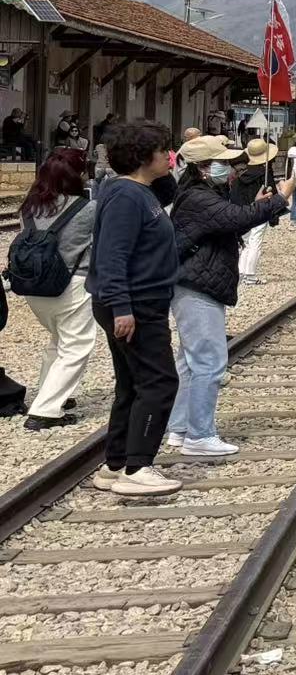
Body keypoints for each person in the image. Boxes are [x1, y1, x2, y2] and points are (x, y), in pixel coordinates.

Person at [166, 136, 289, 458]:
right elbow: (237, 219)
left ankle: (180, 428)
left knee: (190, 360)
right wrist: (280, 199)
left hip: (197, 281)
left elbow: (230, 221)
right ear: (203, 168)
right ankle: (200, 435)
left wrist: (259, 204)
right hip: (197, 285)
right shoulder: (199, 197)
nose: (231, 168)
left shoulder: (201, 193)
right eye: (223, 162)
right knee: (209, 361)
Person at [88, 120, 183, 497]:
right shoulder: (127, 197)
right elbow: (112, 255)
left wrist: (166, 171)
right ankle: (138, 466)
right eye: (163, 151)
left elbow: (170, 189)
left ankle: (115, 464)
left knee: (131, 383)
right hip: (135, 304)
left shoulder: (138, 190)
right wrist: (122, 307)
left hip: (138, 301)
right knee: (160, 382)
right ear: (145, 157)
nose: (169, 156)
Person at [20, 149, 103, 431]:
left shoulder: (30, 208)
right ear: (76, 176)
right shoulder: (88, 208)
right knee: (76, 345)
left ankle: (51, 393)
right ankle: (45, 411)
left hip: (34, 287)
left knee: (58, 340)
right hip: (72, 284)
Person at [234, 139, 281, 286]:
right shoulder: (265, 175)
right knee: (256, 242)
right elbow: (273, 196)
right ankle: (250, 275)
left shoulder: (240, 174)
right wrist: (274, 216)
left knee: (245, 243)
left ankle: (240, 272)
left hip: (242, 211)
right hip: (260, 211)